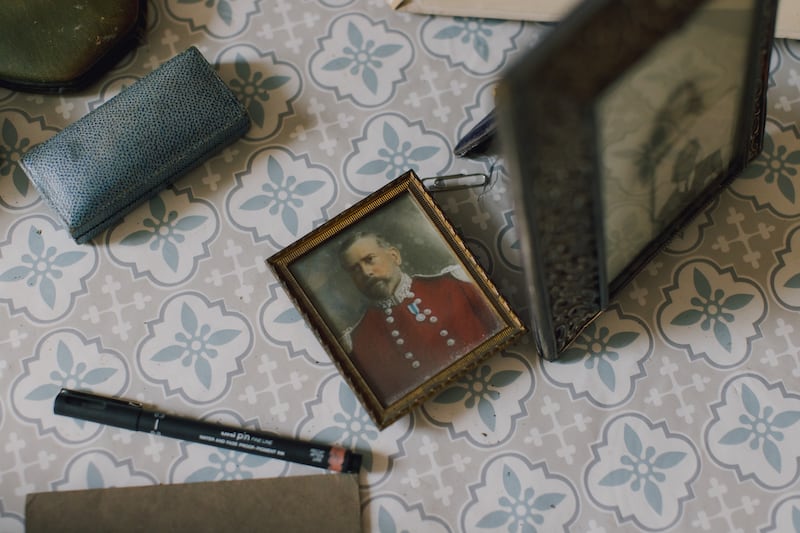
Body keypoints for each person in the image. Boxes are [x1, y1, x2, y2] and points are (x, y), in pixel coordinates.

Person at [338, 231, 501, 405]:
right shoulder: (357, 343)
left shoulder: (456, 283)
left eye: (370, 259)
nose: (365, 272)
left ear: (394, 256)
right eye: (355, 269)